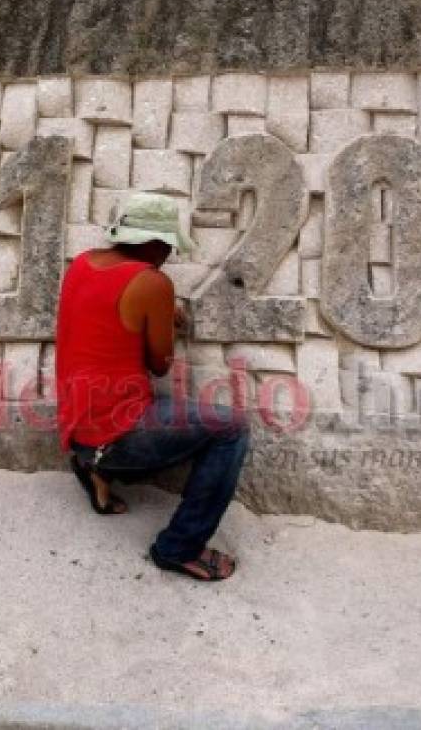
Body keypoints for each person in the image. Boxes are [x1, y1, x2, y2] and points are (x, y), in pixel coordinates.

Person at [55, 192, 249, 581]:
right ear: (151, 242)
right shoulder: (152, 282)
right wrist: (167, 320)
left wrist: (154, 312)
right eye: (167, 246)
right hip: (116, 435)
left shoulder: (82, 264)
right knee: (231, 427)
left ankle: (93, 470)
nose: (168, 256)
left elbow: (109, 325)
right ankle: (180, 548)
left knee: (112, 407)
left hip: (76, 425)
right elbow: (158, 365)